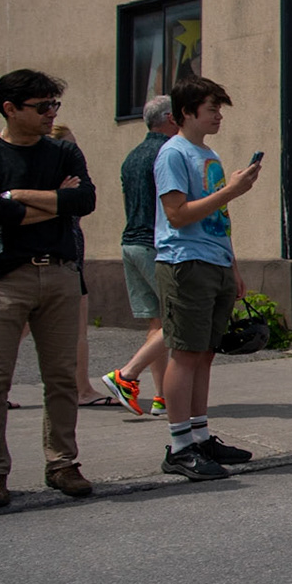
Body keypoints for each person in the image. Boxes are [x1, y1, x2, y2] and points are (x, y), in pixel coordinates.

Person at [0, 70, 98, 509]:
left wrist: (18, 195)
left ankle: (62, 462)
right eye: (42, 106)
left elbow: (84, 201)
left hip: (60, 272)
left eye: (54, 105)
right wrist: (54, 201)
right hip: (2, 279)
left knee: (62, 376)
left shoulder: (63, 151)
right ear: (10, 109)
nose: (51, 114)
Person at [153, 76, 260, 481]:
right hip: (185, 262)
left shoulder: (208, 153)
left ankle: (199, 436)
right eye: (212, 108)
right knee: (185, 352)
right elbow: (177, 214)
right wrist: (231, 191)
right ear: (186, 112)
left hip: (213, 261)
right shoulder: (173, 153)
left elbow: (219, 218)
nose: (218, 116)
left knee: (205, 352)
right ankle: (180, 446)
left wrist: (232, 267)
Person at [101, 95, 177, 417]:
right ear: (171, 118)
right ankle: (127, 374)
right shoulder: (169, 152)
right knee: (180, 317)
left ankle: (162, 397)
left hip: (131, 242)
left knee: (157, 321)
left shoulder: (132, 156)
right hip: (154, 244)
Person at [49, 124, 113, 405]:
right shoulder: (55, 179)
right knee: (74, 329)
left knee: (74, 328)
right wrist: (59, 196)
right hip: (62, 257)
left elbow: (84, 202)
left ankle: (81, 388)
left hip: (72, 255)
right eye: (70, 146)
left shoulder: (68, 178)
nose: (76, 152)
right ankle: (81, 390)